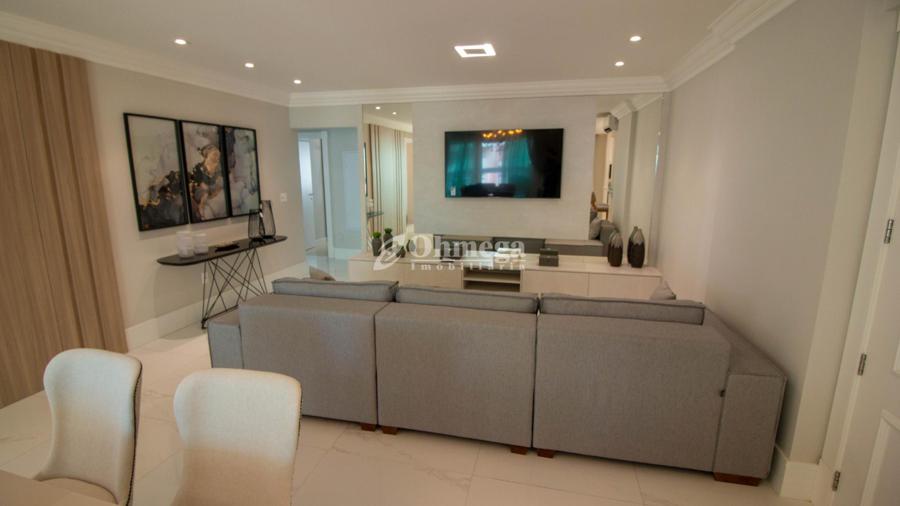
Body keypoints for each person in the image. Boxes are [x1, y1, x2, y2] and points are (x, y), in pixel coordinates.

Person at [189, 144, 225, 220]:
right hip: (200, 190)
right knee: (204, 194)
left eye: (217, 156)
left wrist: (216, 187)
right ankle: (201, 208)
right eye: (214, 155)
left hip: (212, 189)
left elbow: (218, 182)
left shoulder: (218, 168)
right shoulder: (198, 168)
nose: (216, 158)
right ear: (206, 156)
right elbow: (201, 185)